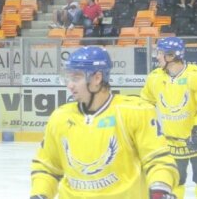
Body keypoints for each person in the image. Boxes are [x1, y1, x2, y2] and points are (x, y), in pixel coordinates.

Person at [30, 46, 178, 199]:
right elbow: (47, 167)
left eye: (76, 78)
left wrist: (160, 190)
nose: (70, 85)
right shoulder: (60, 117)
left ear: (97, 78)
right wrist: (40, 193)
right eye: (69, 78)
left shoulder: (134, 111)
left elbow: (157, 159)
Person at [141, 37, 197, 199]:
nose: (157, 56)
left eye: (160, 53)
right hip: (173, 143)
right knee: (175, 184)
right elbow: (144, 106)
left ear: (171, 56)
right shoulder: (154, 77)